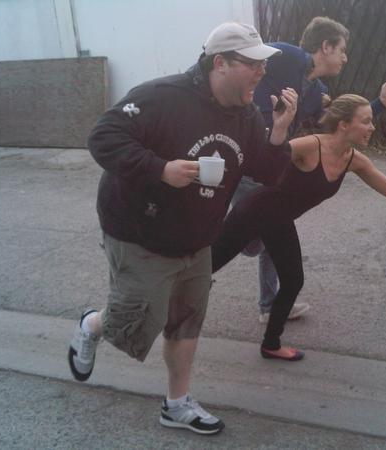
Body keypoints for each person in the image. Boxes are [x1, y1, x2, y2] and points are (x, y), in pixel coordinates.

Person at [67, 22, 299, 435]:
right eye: (253, 64)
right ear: (220, 63)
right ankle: (92, 325)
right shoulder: (161, 97)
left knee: (186, 320)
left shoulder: (247, 115)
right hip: (140, 230)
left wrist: (279, 132)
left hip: (197, 235)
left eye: (264, 64)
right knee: (133, 321)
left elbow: (265, 172)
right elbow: (103, 137)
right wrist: (160, 169)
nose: (262, 72)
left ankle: (176, 405)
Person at [212, 94, 386, 361]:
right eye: (366, 121)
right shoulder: (310, 146)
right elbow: (265, 161)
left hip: (278, 222)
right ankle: (174, 312)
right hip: (253, 213)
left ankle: (271, 344)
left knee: (292, 281)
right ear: (343, 125)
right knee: (205, 266)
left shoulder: (354, 160)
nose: (372, 127)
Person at [233, 16, 386, 324]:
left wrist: (380, 103)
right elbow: (244, 59)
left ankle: (269, 306)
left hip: (272, 164)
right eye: (342, 50)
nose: (345, 58)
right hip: (249, 162)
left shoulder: (315, 90)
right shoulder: (286, 56)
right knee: (250, 242)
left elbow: (340, 124)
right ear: (325, 46)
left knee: (273, 227)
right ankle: (198, 248)